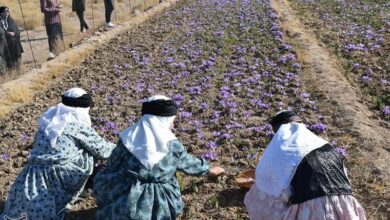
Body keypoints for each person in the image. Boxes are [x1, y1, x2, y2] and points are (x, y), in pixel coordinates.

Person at [94, 95, 225, 220]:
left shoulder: (127, 139)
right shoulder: (171, 145)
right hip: (160, 202)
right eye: (171, 121)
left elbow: (112, 164)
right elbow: (189, 164)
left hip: (126, 197)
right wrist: (209, 169)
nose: (173, 126)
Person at [0, 88, 116, 220]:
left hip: (29, 179)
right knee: (89, 156)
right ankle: (93, 195)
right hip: (61, 176)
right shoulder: (77, 127)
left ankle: (78, 193)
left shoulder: (47, 124)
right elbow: (105, 150)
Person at [244, 111, 366, 219]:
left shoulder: (282, 149)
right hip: (345, 208)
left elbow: (271, 194)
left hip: (314, 212)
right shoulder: (326, 146)